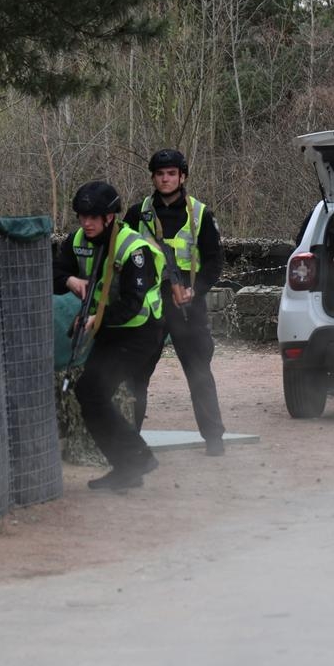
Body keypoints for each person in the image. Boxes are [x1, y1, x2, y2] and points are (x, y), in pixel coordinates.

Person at [54, 181, 166, 491]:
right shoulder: (77, 240)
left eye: (93, 217)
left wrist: (93, 320)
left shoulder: (133, 248)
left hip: (140, 332)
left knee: (94, 391)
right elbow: (53, 274)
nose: (86, 223)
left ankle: (136, 458)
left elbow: (132, 303)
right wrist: (71, 280)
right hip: (109, 330)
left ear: (110, 217)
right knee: (90, 393)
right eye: (82, 216)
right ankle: (129, 465)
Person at [125, 148, 228, 456]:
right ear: (153, 178)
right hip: (149, 304)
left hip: (186, 305)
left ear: (182, 177)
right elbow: (123, 256)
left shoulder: (200, 213)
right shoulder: (137, 213)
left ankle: (214, 439)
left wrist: (197, 290)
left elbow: (214, 261)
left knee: (199, 374)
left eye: (171, 173)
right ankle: (128, 442)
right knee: (136, 376)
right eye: (160, 174)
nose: (165, 179)